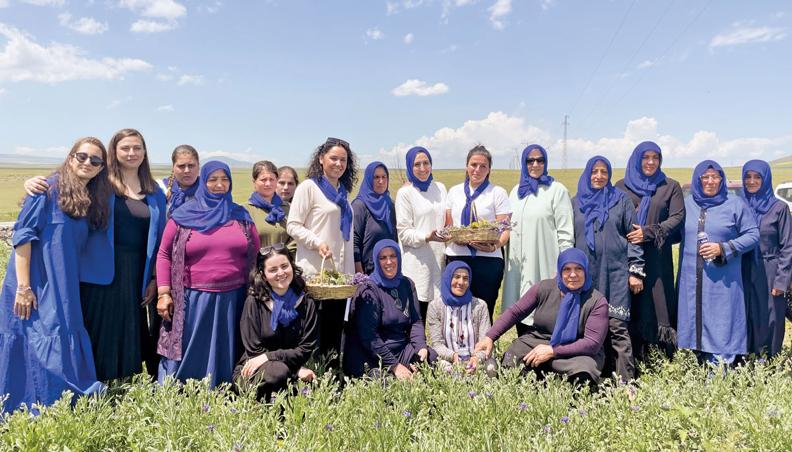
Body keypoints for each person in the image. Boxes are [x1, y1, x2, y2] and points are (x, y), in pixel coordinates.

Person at [23, 128, 167, 381]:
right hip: (99, 268)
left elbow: (161, 240)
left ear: (145, 153)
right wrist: (33, 182)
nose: (131, 153)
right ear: (114, 152)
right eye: (125, 148)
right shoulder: (102, 184)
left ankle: (124, 381)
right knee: (99, 326)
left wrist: (155, 277)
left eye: (137, 148)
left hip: (138, 271)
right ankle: (94, 379)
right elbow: (67, 186)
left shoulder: (155, 193)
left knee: (129, 325)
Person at [0, 137, 112, 412]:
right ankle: (27, 402)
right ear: (70, 157)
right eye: (81, 156)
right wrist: (24, 287)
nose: (87, 163)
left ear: (101, 168)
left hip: (64, 283)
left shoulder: (91, 198)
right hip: (35, 281)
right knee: (36, 336)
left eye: (95, 160)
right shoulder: (46, 189)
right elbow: (23, 237)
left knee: (60, 334)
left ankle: (56, 402)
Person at [156, 161, 260, 387]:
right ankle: (184, 389)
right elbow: (164, 254)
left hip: (234, 298)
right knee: (193, 347)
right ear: (203, 182)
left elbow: (255, 255)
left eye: (225, 180)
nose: (220, 185)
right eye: (213, 180)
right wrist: (164, 292)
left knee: (228, 346)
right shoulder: (183, 215)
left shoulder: (241, 215)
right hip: (193, 299)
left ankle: (227, 386)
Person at [475, 248, 608, 386]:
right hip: (539, 341)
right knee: (512, 358)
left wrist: (552, 351)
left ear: (586, 270)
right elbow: (515, 312)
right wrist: (490, 336)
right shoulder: (545, 287)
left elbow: (591, 343)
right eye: (567, 269)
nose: (572, 274)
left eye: (578, 269)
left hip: (576, 352)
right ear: (560, 270)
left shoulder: (597, 301)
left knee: (583, 373)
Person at [677, 160, 759, 365]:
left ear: (721, 180)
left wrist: (723, 248)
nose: (711, 181)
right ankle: (699, 375)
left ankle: (718, 381)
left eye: (715, 177)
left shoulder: (734, 204)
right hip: (691, 282)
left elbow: (753, 234)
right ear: (698, 179)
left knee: (722, 328)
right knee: (695, 327)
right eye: (705, 177)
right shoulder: (687, 205)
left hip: (723, 282)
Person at [571, 156, 643, 381]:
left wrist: (635, 271)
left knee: (617, 328)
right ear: (587, 173)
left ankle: (625, 383)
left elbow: (634, 237)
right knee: (587, 329)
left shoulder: (621, 200)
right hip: (585, 277)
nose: (599, 176)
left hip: (616, 274)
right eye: (595, 171)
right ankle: (591, 378)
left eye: (604, 172)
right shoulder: (576, 202)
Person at [287, 137, 357, 362]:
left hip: (338, 276)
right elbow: (293, 225)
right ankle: (311, 378)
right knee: (313, 330)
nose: (338, 164)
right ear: (321, 159)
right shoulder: (309, 187)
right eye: (333, 158)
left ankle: (332, 378)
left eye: (343, 160)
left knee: (334, 329)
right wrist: (316, 242)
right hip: (315, 272)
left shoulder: (342, 192)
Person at [615, 141, 685, 362]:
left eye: (655, 157)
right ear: (637, 159)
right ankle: (633, 358)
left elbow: (677, 217)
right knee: (632, 303)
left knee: (658, 302)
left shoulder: (669, 186)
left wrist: (649, 232)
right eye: (646, 157)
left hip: (657, 257)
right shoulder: (621, 186)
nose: (651, 162)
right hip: (626, 257)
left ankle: (661, 360)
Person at [503, 144, 574, 336]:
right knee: (520, 308)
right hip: (518, 267)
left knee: (544, 311)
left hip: (545, 263)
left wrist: (566, 269)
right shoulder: (516, 192)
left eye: (540, 160)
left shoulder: (556, 190)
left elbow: (565, 234)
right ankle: (524, 352)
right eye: (530, 160)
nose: (535, 164)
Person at [233, 243, 317, 399]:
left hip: (287, 365)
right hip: (255, 369)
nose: (281, 273)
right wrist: (295, 371)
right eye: (273, 270)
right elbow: (254, 350)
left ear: (292, 266)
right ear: (263, 275)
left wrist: (270, 356)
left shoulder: (306, 303)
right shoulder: (254, 302)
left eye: (284, 266)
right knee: (279, 373)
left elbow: (306, 348)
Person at [344, 239, 437, 379]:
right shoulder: (368, 290)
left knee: (431, 361)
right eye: (383, 257)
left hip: (400, 347)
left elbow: (416, 321)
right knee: (387, 383)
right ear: (376, 260)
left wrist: (421, 347)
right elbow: (369, 337)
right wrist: (395, 366)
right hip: (371, 353)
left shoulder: (407, 284)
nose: (389, 262)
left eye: (393, 256)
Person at [444, 146, 511, 321]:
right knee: (456, 308)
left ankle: (483, 345)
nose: (477, 170)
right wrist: (453, 237)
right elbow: (449, 225)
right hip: (457, 256)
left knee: (484, 308)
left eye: (483, 166)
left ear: (489, 169)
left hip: (488, 259)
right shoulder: (454, 192)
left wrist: (495, 245)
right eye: (474, 164)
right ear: (466, 166)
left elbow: (504, 230)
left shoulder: (498, 193)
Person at [741, 160, 792, 357]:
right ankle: (745, 360)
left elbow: (788, 246)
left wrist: (782, 280)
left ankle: (768, 362)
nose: (752, 181)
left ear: (766, 179)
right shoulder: (739, 206)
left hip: (770, 269)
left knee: (770, 316)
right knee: (746, 314)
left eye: (757, 177)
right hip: (743, 268)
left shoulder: (779, 208)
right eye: (748, 177)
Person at [395, 146, 448, 321]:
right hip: (417, 262)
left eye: (426, 163)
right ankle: (417, 348)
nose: (423, 168)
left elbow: (446, 218)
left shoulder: (440, 188)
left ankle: (438, 349)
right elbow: (403, 232)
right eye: (417, 164)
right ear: (410, 167)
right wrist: (426, 236)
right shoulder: (405, 193)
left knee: (438, 315)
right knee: (417, 316)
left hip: (439, 261)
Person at [426, 262, 496, 375]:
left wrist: (476, 359)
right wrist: (453, 356)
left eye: (465, 278)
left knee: (491, 368)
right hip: (449, 360)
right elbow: (437, 344)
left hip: (476, 360)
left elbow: (485, 341)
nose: (461, 282)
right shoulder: (435, 306)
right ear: (448, 278)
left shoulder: (480, 306)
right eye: (457, 277)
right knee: (444, 370)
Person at [352, 161, 397, 275]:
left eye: (384, 177)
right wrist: (360, 275)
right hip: (368, 273)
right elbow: (354, 242)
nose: (381, 181)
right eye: (376, 177)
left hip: (390, 270)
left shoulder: (390, 205)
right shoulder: (359, 206)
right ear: (368, 179)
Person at [246, 160, 295, 255]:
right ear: (254, 182)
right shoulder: (244, 210)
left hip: (286, 265)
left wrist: (284, 256)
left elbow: (296, 238)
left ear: (276, 181)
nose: (268, 184)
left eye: (272, 179)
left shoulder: (289, 208)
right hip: (256, 267)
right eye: (263, 180)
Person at [160, 145, 200, 215]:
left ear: (198, 166)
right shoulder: (161, 189)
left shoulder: (208, 191)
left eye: (191, 166)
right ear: (173, 167)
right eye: (181, 166)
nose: (187, 170)